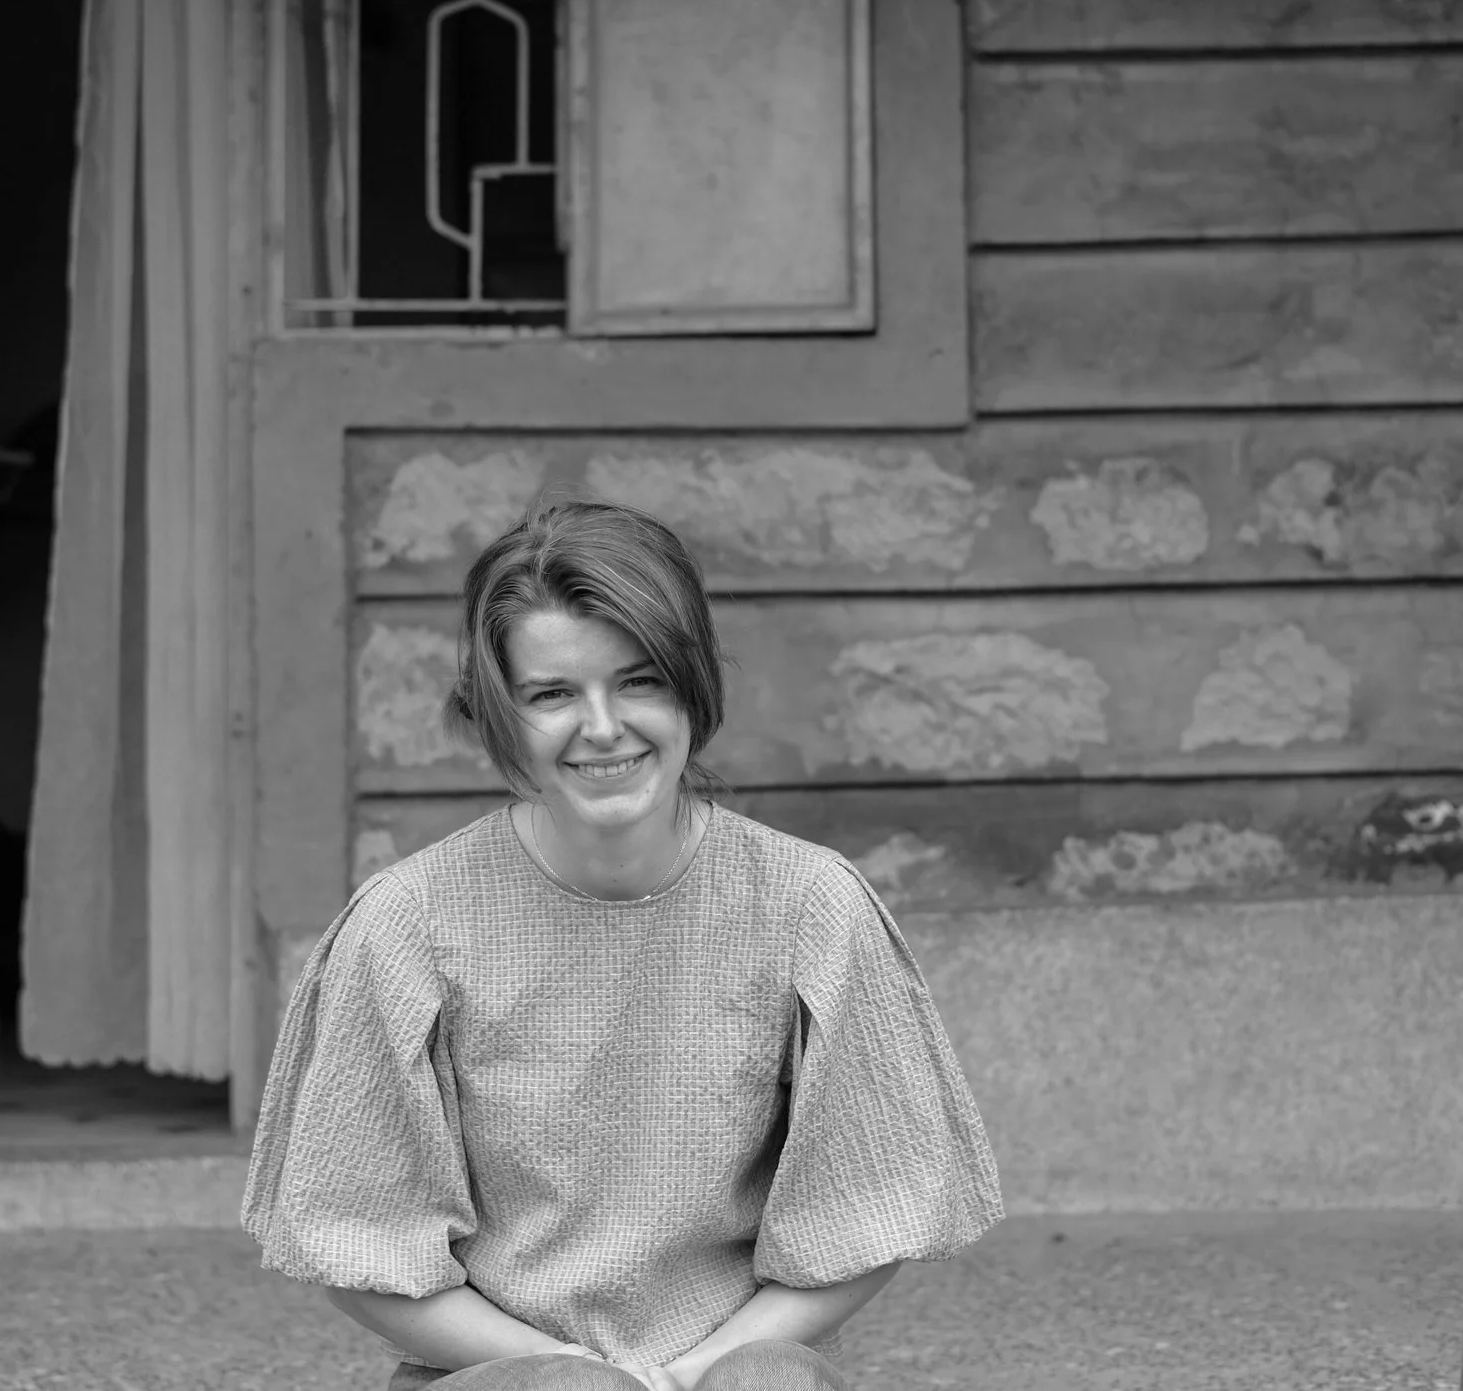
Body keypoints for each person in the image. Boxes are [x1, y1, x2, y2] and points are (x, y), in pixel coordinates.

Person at [243, 499, 1003, 1388]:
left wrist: (686, 1376)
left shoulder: (810, 906)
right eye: (552, 693)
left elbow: (869, 1213)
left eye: (638, 681)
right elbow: (356, 1242)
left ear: (691, 685)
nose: (602, 727)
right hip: (508, 1371)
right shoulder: (408, 923)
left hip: (730, 1367)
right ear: (499, 713)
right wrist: (579, 1372)